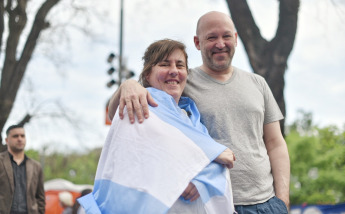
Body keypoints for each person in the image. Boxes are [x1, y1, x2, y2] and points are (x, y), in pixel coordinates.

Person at [108, 11, 290, 214]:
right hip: (218, 203)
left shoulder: (258, 83)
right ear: (197, 42)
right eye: (212, 37)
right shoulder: (181, 80)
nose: (220, 43)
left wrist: (282, 200)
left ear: (236, 39)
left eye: (226, 36)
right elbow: (126, 108)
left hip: (268, 203)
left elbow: (275, 144)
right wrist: (128, 84)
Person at [78, 39, 236, 213]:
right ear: (147, 74)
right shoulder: (140, 107)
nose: (174, 71)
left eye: (180, 65)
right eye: (164, 64)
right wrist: (128, 84)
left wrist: (202, 179)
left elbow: (219, 161)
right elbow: (139, 163)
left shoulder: (193, 120)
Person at [0, 124, 45, 214]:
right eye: (15, 136)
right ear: (7, 140)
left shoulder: (36, 166)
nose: (20, 139)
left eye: (22, 136)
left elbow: (40, 198)